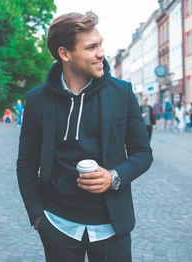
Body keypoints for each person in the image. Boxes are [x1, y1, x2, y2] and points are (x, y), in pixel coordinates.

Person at [16, 11, 153, 262]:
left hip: (112, 227)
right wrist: (38, 217)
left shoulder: (122, 93)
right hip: (57, 226)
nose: (101, 53)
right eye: (91, 47)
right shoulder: (37, 100)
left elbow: (143, 154)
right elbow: (26, 164)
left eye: (101, 44)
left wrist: (114, 177)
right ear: (65, 54)